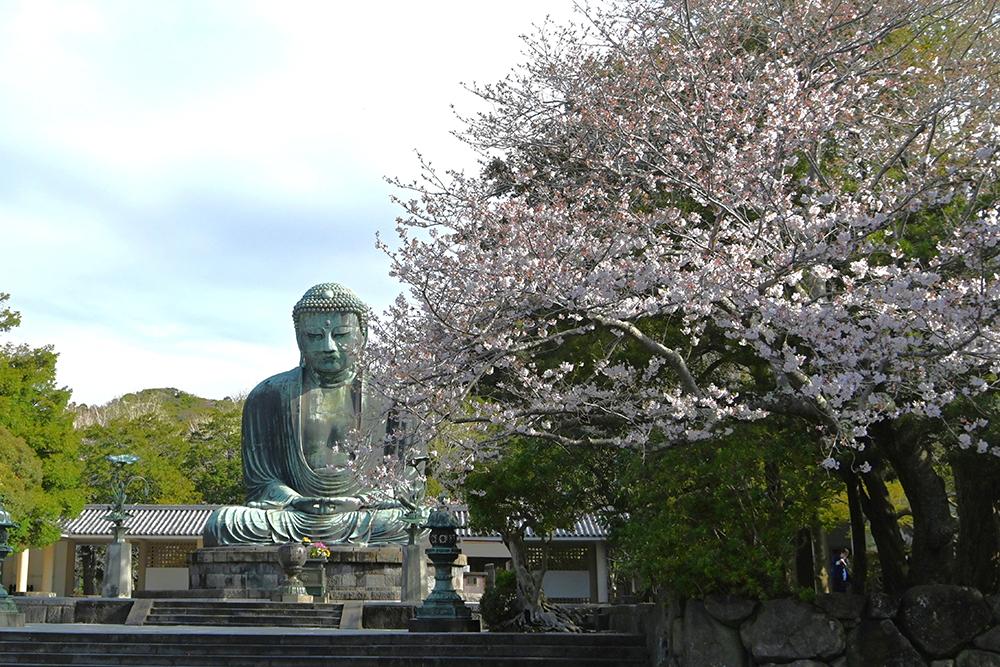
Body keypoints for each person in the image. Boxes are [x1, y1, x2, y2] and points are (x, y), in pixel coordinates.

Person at [202, 283, 423, 547]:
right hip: (294, 515)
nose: (328, 346)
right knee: (224, 522)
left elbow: (409, 483)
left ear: (362, 335)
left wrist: (362, 501)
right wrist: (294, 500)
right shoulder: (268, 395)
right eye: (315, 336)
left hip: (365, 514)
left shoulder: (396, 397)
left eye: (341, 334)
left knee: (418, 521)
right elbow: (261, 483)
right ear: (299, 339)